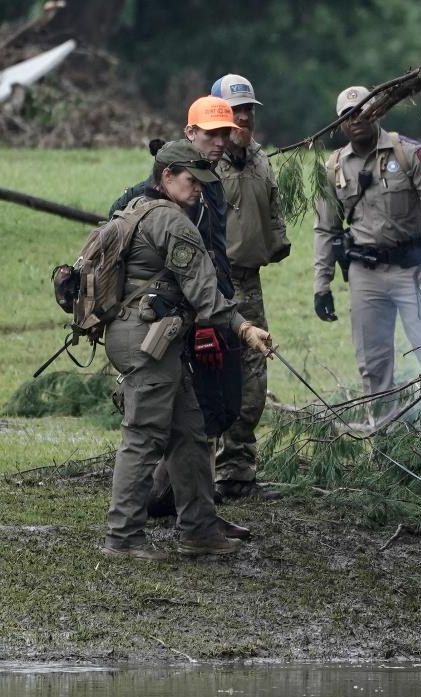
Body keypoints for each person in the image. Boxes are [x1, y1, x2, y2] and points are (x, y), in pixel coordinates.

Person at [102, 139, 273, 561]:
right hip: (148, 342)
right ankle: (122, 537)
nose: (199, 187)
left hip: (143, 336)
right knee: (143, 437)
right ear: (167, 177)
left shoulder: (136, 208)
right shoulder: (173, 223)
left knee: (190, 434)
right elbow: (206, 293)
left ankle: (198, 529)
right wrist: (245, 328)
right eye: (191, 179)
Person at [313, 85, 421, 400]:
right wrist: (321, 285)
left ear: (377, 111)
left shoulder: (408, 154)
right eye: (347, 116)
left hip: (411, 269)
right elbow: (326, 228)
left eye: (363, 111)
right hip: (365, 275)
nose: (356, 120)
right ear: (340, 124)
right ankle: (385, 441)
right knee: (374, 367)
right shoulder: (334, 168)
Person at [208, 74, 291, 501]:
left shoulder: (259, 158)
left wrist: (277, 244)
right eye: (235, 109)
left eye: (249, 110)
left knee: (254, 380)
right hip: (209, 282)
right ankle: (193, 476)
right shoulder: (203, 161)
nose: (243, 117)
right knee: (208, 373)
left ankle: (238, 474)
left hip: (249, 283)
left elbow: (272, 209)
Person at [110, 96, 239, 301]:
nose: (220, 142)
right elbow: (116, 221)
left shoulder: (214, 184)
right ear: (190, 132)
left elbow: (216, 247)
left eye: (225, 134)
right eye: (211, 134)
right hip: (175, 301)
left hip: (212, 297)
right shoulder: (160, 187)